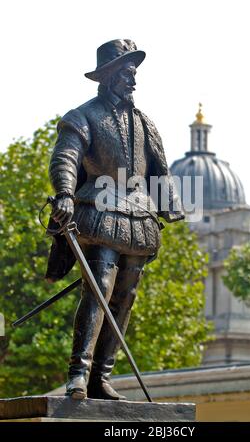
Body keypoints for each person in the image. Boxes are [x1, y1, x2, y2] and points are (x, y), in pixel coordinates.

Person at [46, 39, 184, 400]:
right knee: (100, 285)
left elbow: (159, 167)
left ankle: (101, 377)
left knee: (125, 294)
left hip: (138, 215)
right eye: (127, 74)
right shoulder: (82, 116)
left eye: (134, 74)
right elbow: (65, 158)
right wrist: (64, 192)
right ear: (108, 76)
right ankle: (79, 371)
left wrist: (170, 206)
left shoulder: (144, 122)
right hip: (99, 210)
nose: (133, 81)